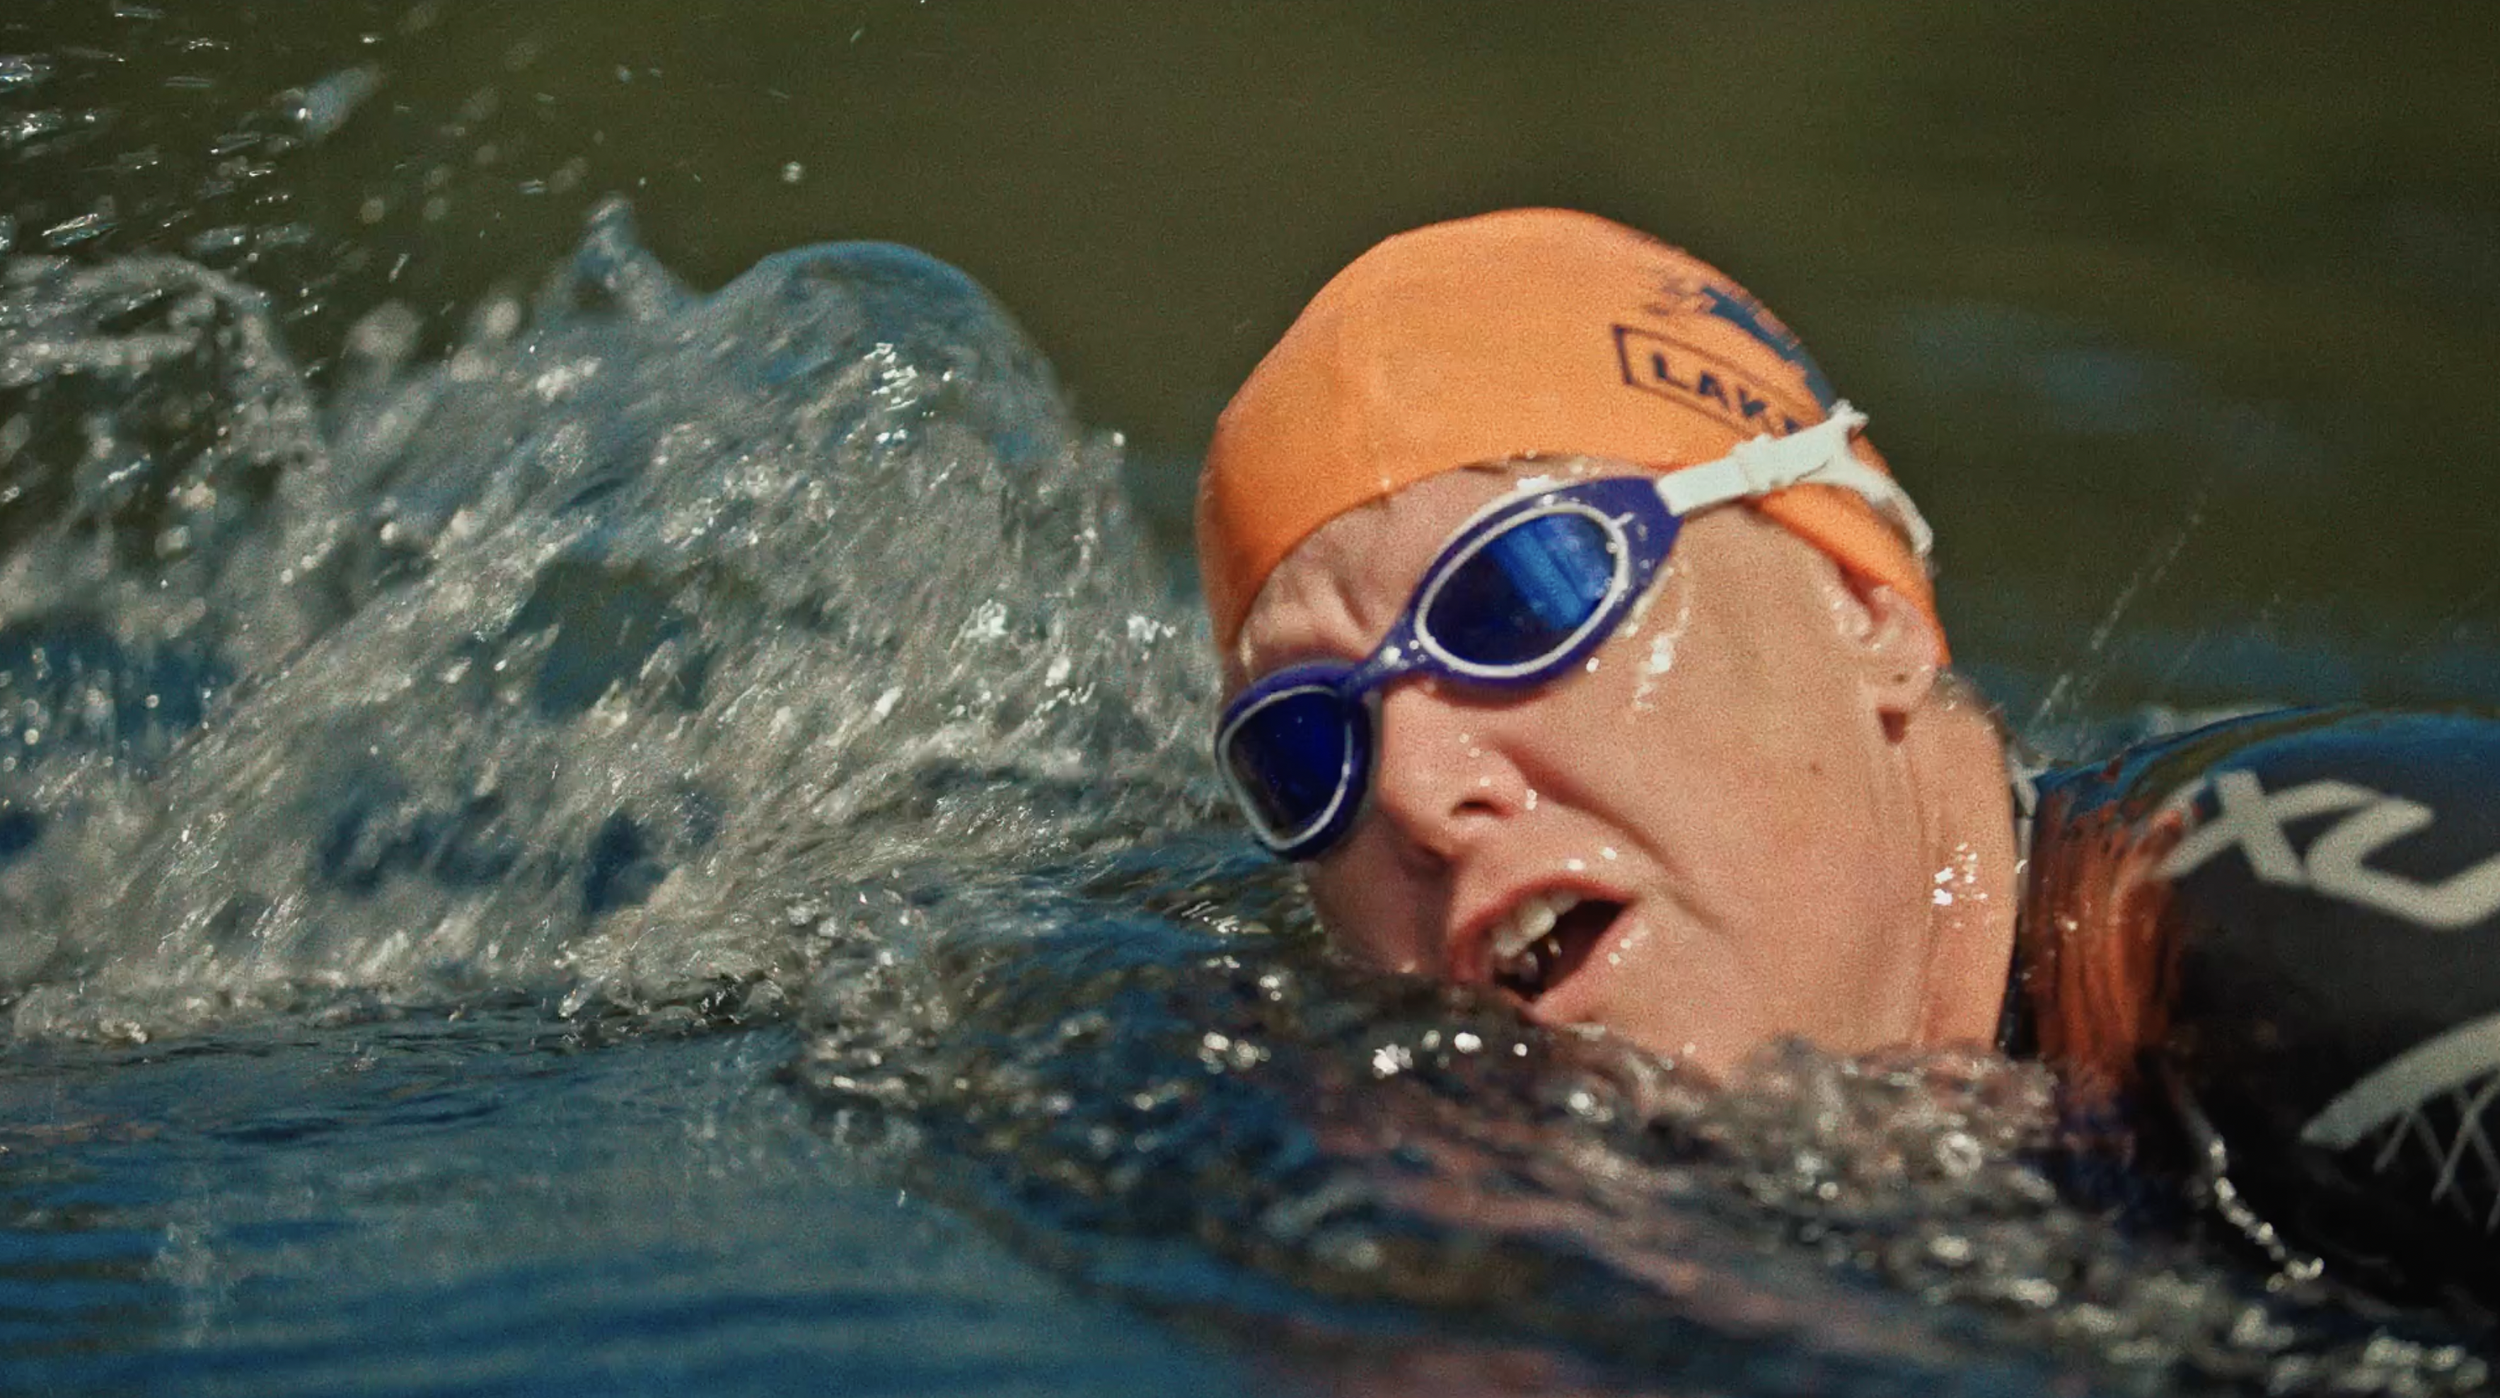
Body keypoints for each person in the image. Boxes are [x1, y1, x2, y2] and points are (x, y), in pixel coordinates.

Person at [1196, 207, 2500, 1302]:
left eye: (1518, 597)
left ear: (1864, 606)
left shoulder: (2362, 964)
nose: (1420, 793)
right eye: (1308, 749)